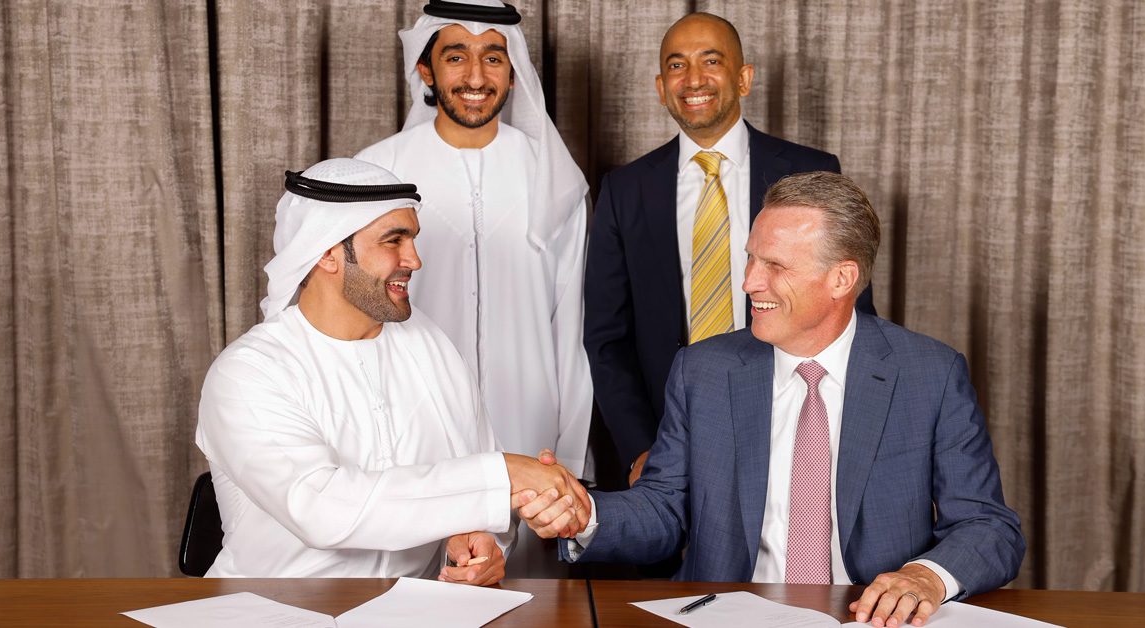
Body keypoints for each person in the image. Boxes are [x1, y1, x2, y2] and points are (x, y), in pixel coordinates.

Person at [518, 172, 1024, 627]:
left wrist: (925, 578)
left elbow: (988, 526)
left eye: (775, 266)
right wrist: (588, 516)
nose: (749, 283)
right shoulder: (704, 370)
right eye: (751, 259)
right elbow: (665, 509)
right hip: (726, 617)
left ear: (841, 279)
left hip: (868, 622)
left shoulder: (929, 374)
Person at [196, 158, 589, 581]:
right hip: (272, 614)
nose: (415, 260)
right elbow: (323, 509)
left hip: (417, 614)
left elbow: (472, 492)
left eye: (413, 240)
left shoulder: (431, 344)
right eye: (393, 241)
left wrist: (475, 542)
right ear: (327, 252)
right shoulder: (249, 373)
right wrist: (504, 474)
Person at [584, 12, 876, 487]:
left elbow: (848, 311)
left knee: (796, 554)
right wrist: (640, 448)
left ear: (743, 78)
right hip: (668, 437)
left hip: (797, 422)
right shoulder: (624, 189)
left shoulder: (810, 170)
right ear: (661, 87)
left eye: (711, 61)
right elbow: (606, 338)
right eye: (677, 66)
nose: (693, 79)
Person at [354, 0, 592, 482]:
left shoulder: (555, 178)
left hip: (530, 424)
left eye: (493, 57)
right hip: (407, 421)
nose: (476, 77)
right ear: (426, 69)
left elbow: (570, 330)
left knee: (524, 552)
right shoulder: (377, 173)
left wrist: (570, 461)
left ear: (512, 72)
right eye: (456, 55)